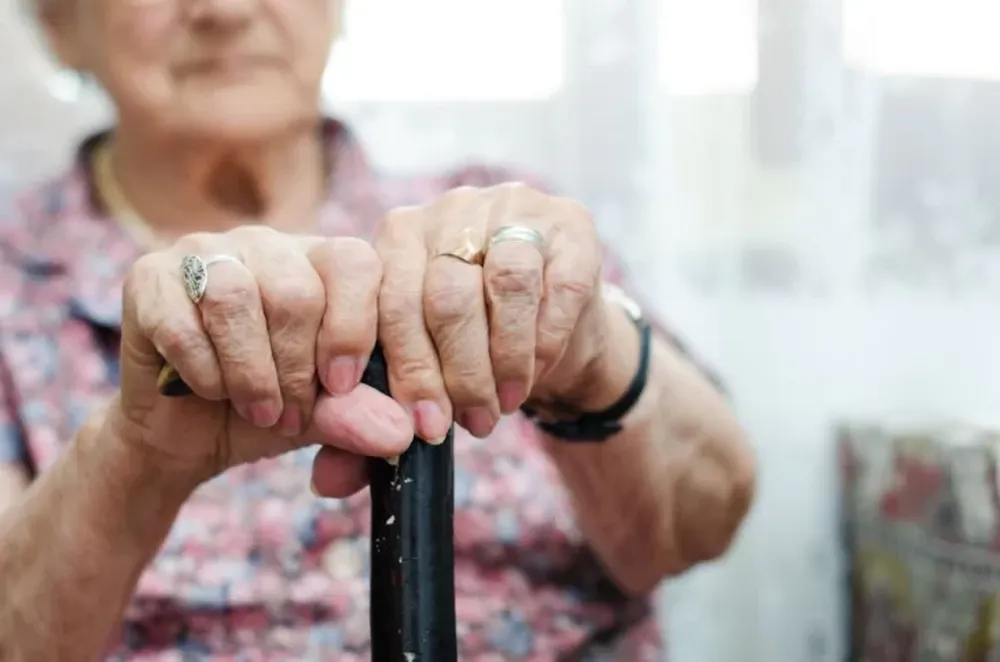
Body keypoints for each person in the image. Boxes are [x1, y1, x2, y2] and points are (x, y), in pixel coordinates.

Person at [0, 0, 754, 659]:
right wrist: (131, 460)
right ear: (60, 23)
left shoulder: (503, 227)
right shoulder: (13, 285)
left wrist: (592, 357)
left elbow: (703, 524)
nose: (224, 8)